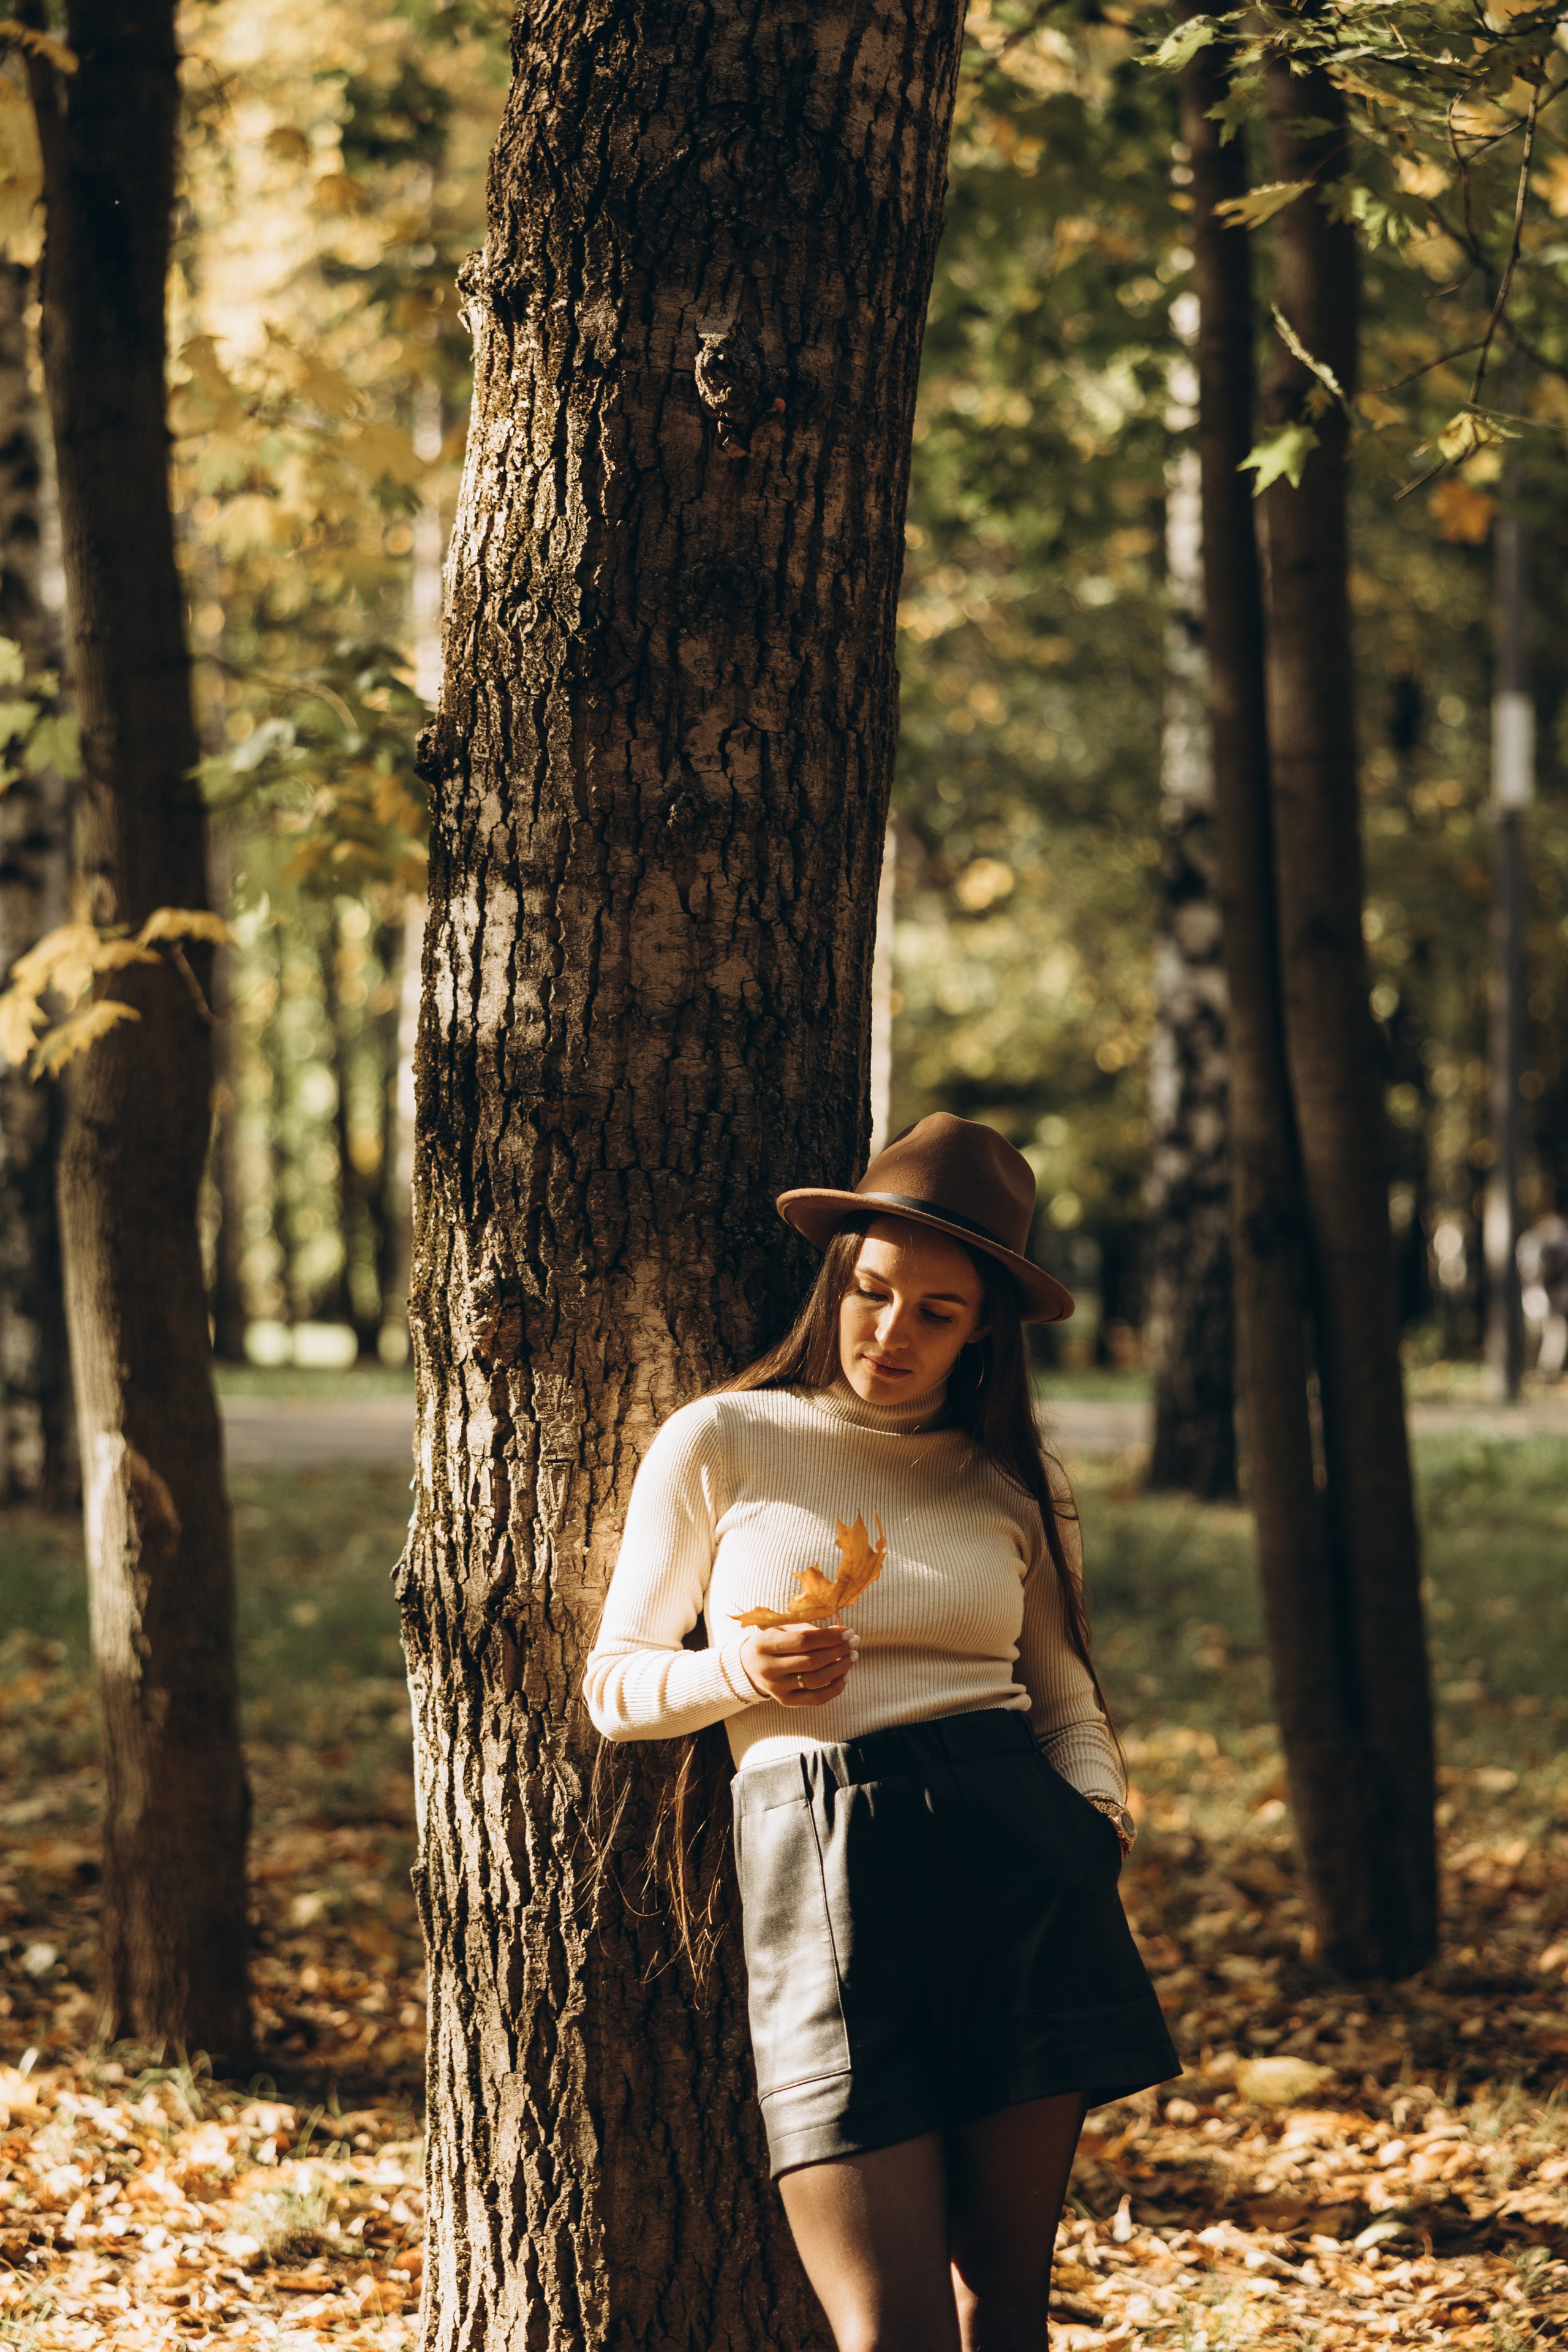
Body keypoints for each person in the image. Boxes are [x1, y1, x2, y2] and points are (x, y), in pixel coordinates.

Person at [584, 1115, 1180, 2352]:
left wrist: (1094, 1815)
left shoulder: (1012, 1484)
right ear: (834, 1281)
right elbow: (614, 1684)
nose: (891, 1331)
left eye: (935, 1312)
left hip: (1018, 1862)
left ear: (982, 1333)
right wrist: (736, 1669)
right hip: (824, 1874)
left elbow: (1062, 1691)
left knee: (1002, 2301)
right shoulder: (724, 1440)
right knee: (886, 2329)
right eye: (869, 1292)